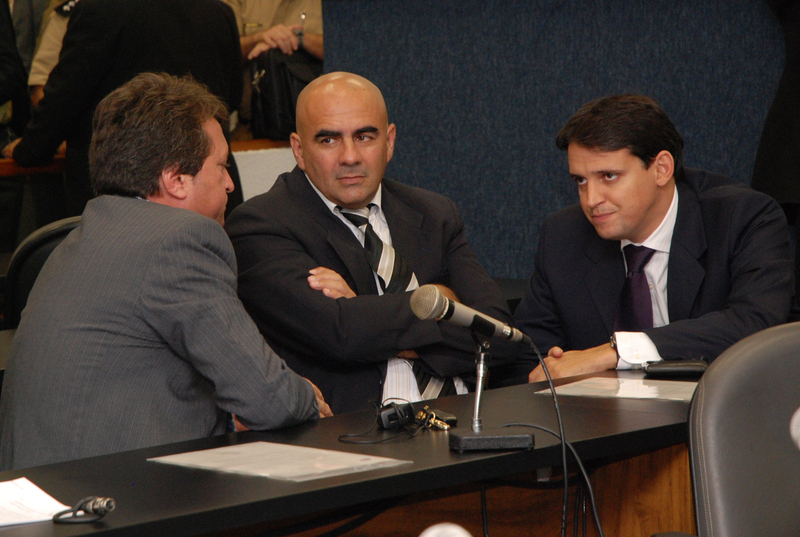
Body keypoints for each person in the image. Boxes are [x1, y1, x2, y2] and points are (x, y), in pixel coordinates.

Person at [0, 73, 330, 471]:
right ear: (176, 180)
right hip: (114, 495)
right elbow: (270, 399)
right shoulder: (179, 242)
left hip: (45, 487)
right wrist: (306, 397)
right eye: (221, 166)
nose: (229, 184)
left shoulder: (83, 237)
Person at [225, 72, 524, 414]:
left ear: (389, 142)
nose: (350, 156)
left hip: (465, 417)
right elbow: (339, 335)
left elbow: (500, 336)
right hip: (357, 431)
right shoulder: (262, 224)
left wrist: (361, 309)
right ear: (299, 150)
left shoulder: (434, 213)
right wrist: (438, 303)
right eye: (328, 140)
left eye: (364, 136)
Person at [514, 94, 793, 382]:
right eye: (581, 180)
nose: (591, 199)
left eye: (608, 176)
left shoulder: (743, 218)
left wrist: (617, 352)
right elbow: (528, 360)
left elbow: (755, 324)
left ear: (661, 169)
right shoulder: (563, 236)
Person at [1, 0, 243, 217]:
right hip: (209, 191)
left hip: (122, 199)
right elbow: (231, 99)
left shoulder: (100, 9)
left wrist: (30, 149)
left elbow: (66, 95)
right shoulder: (218, 12)